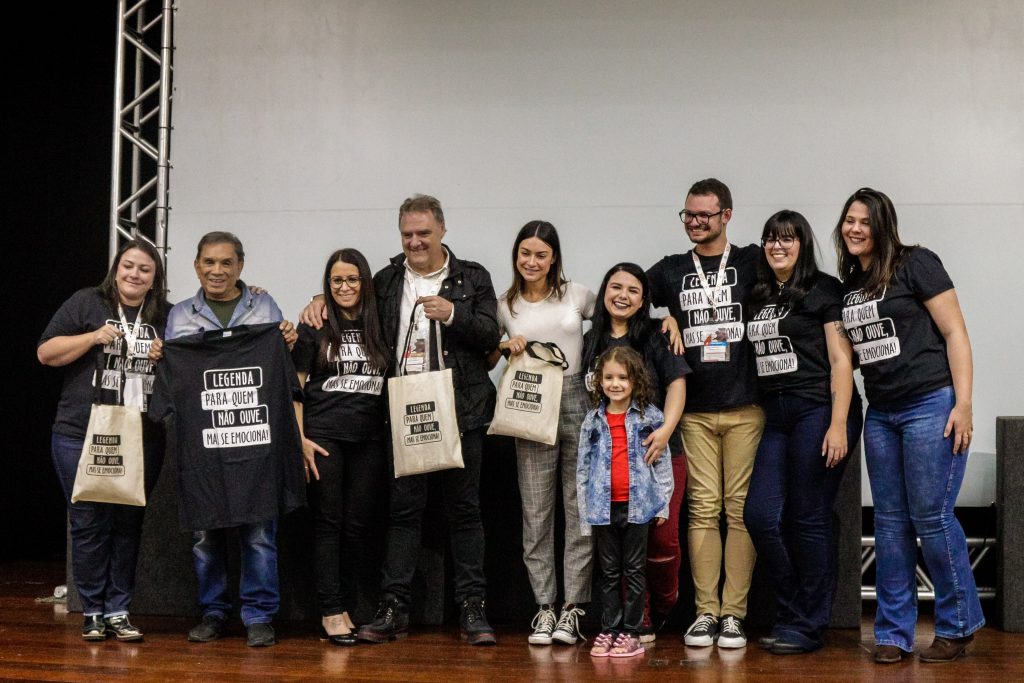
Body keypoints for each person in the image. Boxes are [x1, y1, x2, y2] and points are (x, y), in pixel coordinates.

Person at [300, 194, 501, 645]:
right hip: (405, 409)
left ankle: (472, 608)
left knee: (464, 511)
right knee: (403, 513)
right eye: (407, 234)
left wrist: (454, 313)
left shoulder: (472, 277)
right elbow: (349, 298)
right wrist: (318, 299)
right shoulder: (387, 280)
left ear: (442, 230)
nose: (415, 241)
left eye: (423, 233)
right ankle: (394, 607)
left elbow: (491, 334)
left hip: (462, 409)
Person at [834, 188, 983, 664]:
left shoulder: (916, 263)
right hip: (881, 414)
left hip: (930, 405)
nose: (855, 228)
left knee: (932, 517)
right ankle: (894, 634)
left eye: (865, 221)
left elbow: (955, 333)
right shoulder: (849, 287)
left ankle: (957, 626)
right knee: (890, 524)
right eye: (849, 220)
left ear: (883, 225)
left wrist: (964, 404)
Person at [160, 231, 298, 648]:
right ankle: (213, 612)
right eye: (209, 262)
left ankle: (259, 616)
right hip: (202, 445)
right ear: (196, 265)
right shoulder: (179, 316)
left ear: (240, 266)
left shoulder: (265, 307)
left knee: (259, 532)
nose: (216, 270)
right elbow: (176, 377)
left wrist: (287, 341)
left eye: (225, 262)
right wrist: (161, 356)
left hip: (255, 441)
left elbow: (280, 370)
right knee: (205, 535)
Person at [647, 178, 763, 648]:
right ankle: (705, 613)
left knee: (739, 511)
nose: (694, 223)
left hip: (746, 408)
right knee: (701, 510)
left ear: (727, 215)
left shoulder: (752, 260)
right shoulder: (672, 269)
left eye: (704, 215)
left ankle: (733, 614)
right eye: (688, 215)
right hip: (693, 412)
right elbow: (624, 298)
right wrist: (662, 318)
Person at [741, 210, 862, 654]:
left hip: (820, 409)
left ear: (802, 244)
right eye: (771, 238)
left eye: (787, 239)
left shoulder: (823, 289)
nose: (778, 246)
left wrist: (837, 423)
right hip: (776, 416)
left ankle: (810, 623)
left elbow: (841, 360)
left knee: (808, 516)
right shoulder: (757, 294)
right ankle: (795, 609)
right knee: (759, 515)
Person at [38, 238, 170, 642]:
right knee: (88, 522)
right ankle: (92, 611)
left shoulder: (166, 315)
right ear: (116, 268)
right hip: (80, 431)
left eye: (144, 269)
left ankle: (118, 610)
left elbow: (191, 362)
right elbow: (46, 353)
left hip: (141, 433)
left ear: (155, 278)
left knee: (128, 523)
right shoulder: (87, 303)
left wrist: (165, 355)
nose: (135, 274)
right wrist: (92, 337)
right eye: (128, 265)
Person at [486, 221, 596, 646]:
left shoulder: (576, 294)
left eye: (541, 255)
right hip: (530, 403)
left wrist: (669, 321)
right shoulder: (505, 305)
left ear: (554, 259)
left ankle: (573, 609)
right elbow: (485, 357)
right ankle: (545, 607)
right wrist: (503, 347)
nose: (531, 262)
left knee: (578, 509)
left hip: (576, 397)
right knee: (536, 513)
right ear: (516, 256)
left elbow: (620, 318)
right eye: (525, 253)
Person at [580, 263, 689, 641]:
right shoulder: (591, 341)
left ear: (643, 300)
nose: (622, 296)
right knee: (623, 546)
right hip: (610, 463)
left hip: (656, 453)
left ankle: (665, 604)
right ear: (604, 292)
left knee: (662, 540)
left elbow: (677, 384)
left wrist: (665, 431)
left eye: (632, 290)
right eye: (616, 287)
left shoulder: (658, 334)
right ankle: (636, 619)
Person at [292, 248, 390, 646]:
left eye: (352, 279)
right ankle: (330, 610)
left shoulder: (381, 324)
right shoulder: (314, 326)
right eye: (336, 280)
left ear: (364, 282)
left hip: (369, 438)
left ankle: (347, 605)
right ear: (327, 284)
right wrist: (300, 439)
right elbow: (296, 388)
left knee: (357, 526)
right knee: (328, 524)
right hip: (323, 437)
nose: (344, 286)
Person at [579, 346, 673, 659]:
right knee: (608, 572)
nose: (615, 383)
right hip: (603, 509)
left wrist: (663, 503)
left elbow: (662, 463)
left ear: (635, 380)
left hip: (638, 508)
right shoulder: (592, 420)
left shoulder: (651, 417)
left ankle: (632, 632)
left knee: (634, 570)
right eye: (608, 377)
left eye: (622, 377)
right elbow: (582, 469)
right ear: (599, 381)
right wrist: (585, 512)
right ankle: (609, 629)